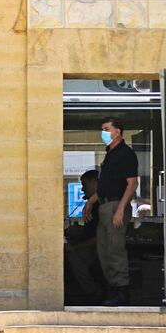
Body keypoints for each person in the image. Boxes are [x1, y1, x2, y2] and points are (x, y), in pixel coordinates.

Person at [84, 117, 139, 306]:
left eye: (107, 129)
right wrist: (91, 202)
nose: (104, 133)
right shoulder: (110, 154)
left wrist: (121, 210)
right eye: (102, 129)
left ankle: (122, 293)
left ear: (118, 131)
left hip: (116, 205)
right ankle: (113, 290)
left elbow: (132, 184)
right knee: (103, 250)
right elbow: (105, 185)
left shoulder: (126, 153)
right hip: (106, 206)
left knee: (115, 251)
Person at [64, 169, 102, 305]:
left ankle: (92, 294)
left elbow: (99, 237)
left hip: (96, 249)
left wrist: (75, 247)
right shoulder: (93, 205)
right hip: (90, 244)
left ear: (94, 184)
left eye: (84, 185)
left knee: (73, 258)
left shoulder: (100, 205)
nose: (82, 189)